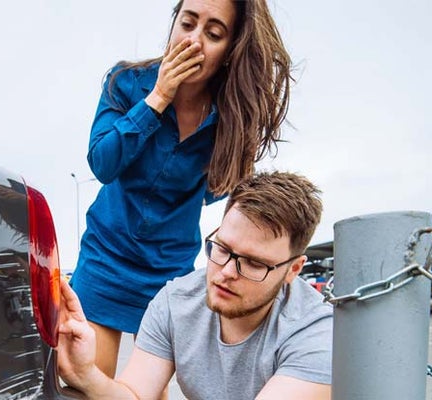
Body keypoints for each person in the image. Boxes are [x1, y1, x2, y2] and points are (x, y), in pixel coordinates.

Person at [71, 0, 294, 378]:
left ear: (229, 51)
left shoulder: (232, 117)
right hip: (106, 258)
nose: (193, 41)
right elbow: (103, 163)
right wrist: (157, 98)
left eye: (213, 33)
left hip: (168, 272)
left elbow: (218, 189)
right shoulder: (125, 81)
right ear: (174, 22)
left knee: (148, 389)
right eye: (187, 23)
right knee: (87, 381)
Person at [59, 171, 332, 400]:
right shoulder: (176, 301)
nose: (225, 273)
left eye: (253, 263)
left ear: (293, 269)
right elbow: (136, 395)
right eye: (222, 248)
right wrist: (86, 374)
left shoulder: (316, 334)